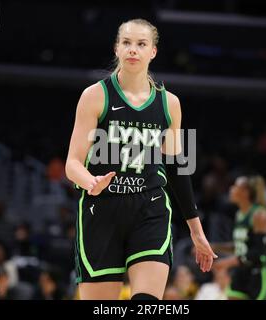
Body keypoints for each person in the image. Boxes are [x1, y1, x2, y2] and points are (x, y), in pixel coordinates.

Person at [65, 18, 216, 300]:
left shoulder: (169, 103)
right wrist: (91, 181)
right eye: (127, 43)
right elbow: (72, 163)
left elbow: (176, 168)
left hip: (150, 207)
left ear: (153, 52)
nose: (133, 49)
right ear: (117, 48)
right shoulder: (95, 96)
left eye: (141, 44)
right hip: (102, 209)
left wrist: (196, 230)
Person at [213, 176, 266, 300]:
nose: (231, 189)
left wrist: (228, 262)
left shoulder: (259, 214)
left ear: (245, 192)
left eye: (235, 186)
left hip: (257, 274)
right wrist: (212, 247)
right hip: (241, 271)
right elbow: (241, 246)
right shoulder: (239, 214)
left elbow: (258, 252)